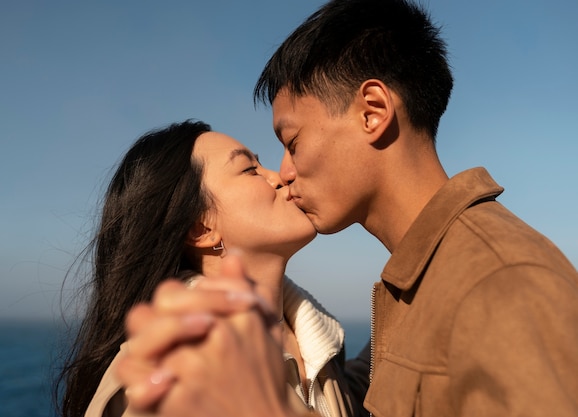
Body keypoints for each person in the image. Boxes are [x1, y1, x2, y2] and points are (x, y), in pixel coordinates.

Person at [116, 0, 578, 416]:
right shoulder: (415, 293)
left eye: (292, 142)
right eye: (253, 167)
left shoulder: (501, 284)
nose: (284, 172)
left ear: (372, 113)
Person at [53, 119, 369, 417]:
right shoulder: (170, 375)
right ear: (200, 230)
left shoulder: (313, 340)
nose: (280, 176)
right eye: (250, 169)